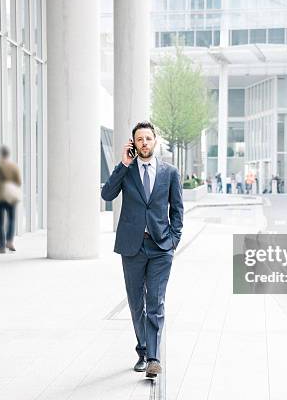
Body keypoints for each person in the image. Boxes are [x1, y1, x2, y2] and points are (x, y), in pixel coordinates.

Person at [101, 121, 183, 379]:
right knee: (137, 304)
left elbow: (177, 210)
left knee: (155, 302)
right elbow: (106, 194)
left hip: (160, 247)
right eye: (139, 139)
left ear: (155, 140)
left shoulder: (169, 173)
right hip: (132, 247)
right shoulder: (127, 170)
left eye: (148, 138)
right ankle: (143, 349)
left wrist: (173, 241)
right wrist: (123, 165)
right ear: (133, 144)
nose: (144, 143)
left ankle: (153, 358)